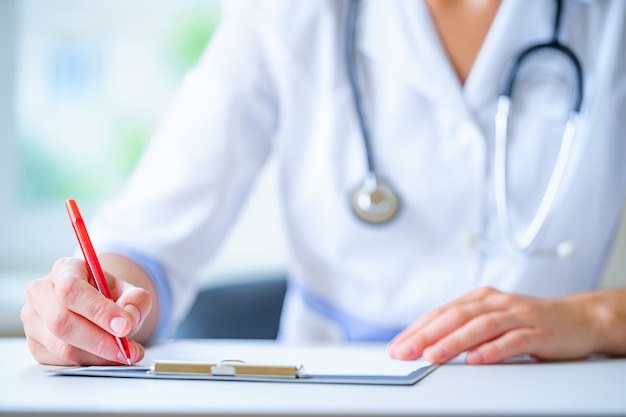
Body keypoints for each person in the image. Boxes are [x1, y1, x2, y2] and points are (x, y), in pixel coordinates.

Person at [21, 0, 626, 367]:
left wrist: (602, 318)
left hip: (547, 391)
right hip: (332, 391)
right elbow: (151, 243)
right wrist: (90, 308)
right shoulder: (288, 12)